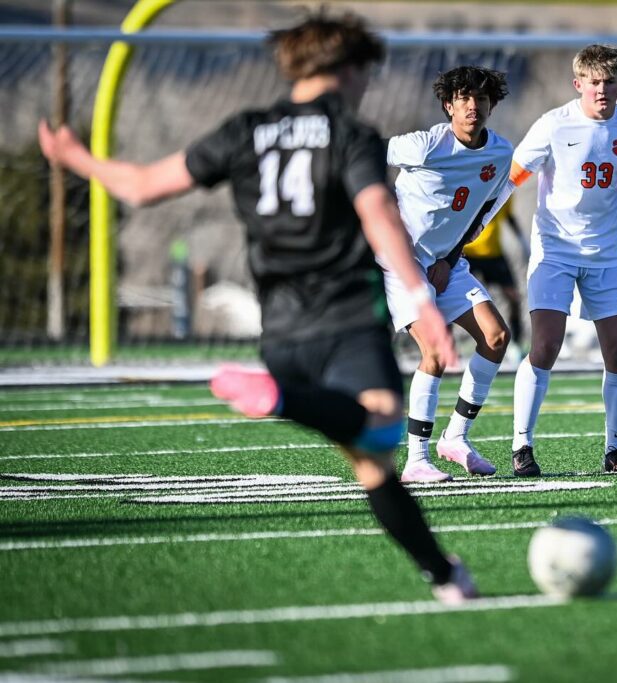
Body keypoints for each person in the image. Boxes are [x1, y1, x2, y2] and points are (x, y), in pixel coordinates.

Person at [38, 14, 478, 603]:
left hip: (281, 328)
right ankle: (282, 399)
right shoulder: (351, 133)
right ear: (347, 70)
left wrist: (77, 158)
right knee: (382, 429)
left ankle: (445, 576)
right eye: (366, 74)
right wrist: (423, 302)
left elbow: (141, 186)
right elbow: (379, 214)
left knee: (373, 463)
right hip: (346, 317)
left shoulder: (245, 129)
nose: (367, 85)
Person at [499, 44, 617, 477]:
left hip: (606, 254)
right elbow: (514, 175)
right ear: (578, 83)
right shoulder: (553, 124)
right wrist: (477, 218)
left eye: (610, 82)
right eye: (594, 82)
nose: (602, 90)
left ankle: (615, 451)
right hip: (555, 251)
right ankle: (522, 447)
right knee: (545, 346)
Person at [385, 66, 514, 483]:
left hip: (446, 261)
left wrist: (450, 257)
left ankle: (455, 438)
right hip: (401, 260)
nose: (472, 106)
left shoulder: (499, 153)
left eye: (480, 98)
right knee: (437, 352)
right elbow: (365, 159)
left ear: (492, 105)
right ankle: (416, 460)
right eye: (463, 98)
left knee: (496, 337)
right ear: (448, 105)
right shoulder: (424, 145)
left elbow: (480, 212)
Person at [463, 195, 528, 360]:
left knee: (513, 296)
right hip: (468, 253)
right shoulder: (475, 185)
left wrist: (522, 241)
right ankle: (447, 344)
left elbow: (508, 216)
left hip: (494, 253)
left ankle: (516, 344)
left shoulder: (505, 188)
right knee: (448, 297)